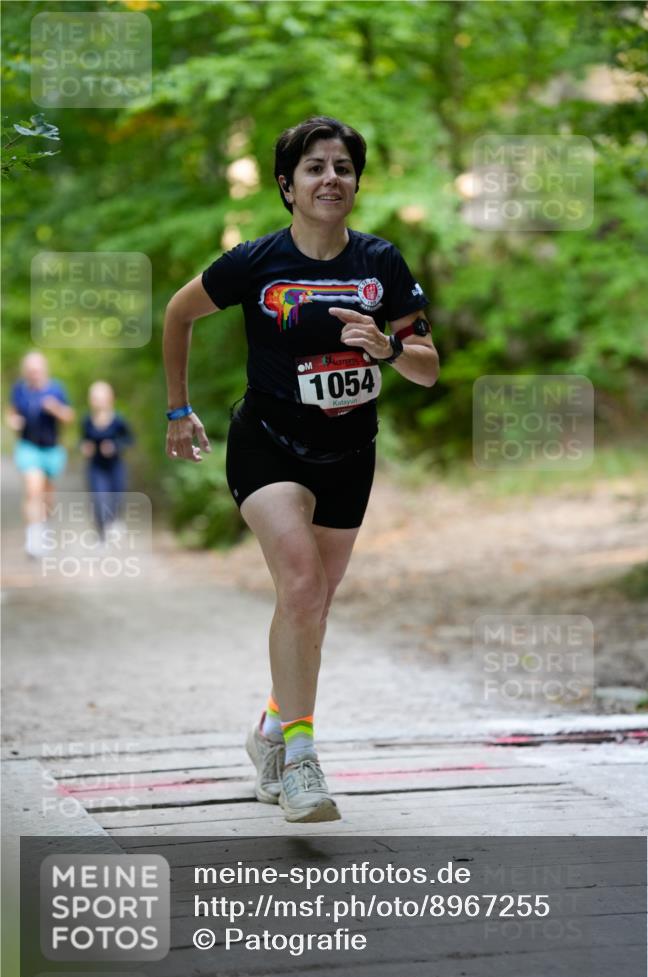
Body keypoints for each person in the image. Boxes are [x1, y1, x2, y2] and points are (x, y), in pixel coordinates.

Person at [162, 116, 439, 823]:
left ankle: (268, 730)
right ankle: (300, 762)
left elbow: (428, 369)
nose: (330, 178)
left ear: (356, 183)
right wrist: (178, 409)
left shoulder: (381, 264)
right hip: (268, 445)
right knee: (302, 585)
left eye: (342, 167)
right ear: (288, 186)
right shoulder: (254, 262)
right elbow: (178, 313)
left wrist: (385, 349)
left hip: (350, 453)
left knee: (312, 605)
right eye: (314, 167)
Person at [6, 351, 74, 558]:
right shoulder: (20, 390)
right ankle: (33, 538)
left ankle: (45, 529)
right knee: (32, 490)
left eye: (37, 370)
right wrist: (13, 421)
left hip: (52, 449)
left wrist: (55, 409)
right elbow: (11, 412)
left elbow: (69, 417)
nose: (34, 374)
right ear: (25, 372)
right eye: (30, 370)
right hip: (28, 447)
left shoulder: (56, 389)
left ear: (44, 370)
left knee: (47, 496)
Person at [80, 381, 134, 543]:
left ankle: (114, 521)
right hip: (95, 467)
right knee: (98, 497)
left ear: (110, 399)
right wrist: (85, 447)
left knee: (117, 496)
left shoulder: (118, 420)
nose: (98, 402)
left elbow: (129, 440)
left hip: (115, 466)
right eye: (94, 398)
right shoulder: (87, 420)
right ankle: (101, 533)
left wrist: (114, 446)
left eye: (101, 398)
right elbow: (83, 440)